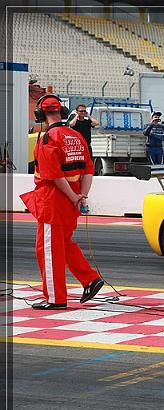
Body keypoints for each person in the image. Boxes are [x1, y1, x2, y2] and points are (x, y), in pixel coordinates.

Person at [19, 94, 104, 310]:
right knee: (64, 244)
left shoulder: (48, 138)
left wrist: (74, 197)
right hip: (72, 202)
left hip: (53, 202)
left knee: (47, 250)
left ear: (40, 115)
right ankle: (90, 279)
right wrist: (81, 196)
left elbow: (54, 176)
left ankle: (55, 298)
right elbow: (88, 170)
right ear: (63, 112)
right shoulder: (76, 136)